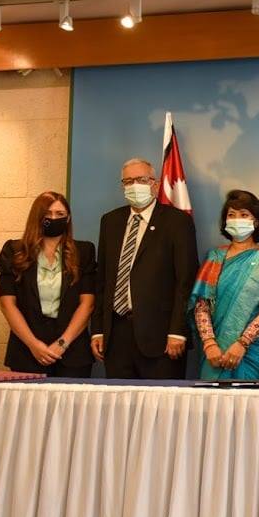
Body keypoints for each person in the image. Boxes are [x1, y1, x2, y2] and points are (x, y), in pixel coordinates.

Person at [90, 158, 199, 379]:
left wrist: (178, 331)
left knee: (160, 400)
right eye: (128, 181)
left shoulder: (177, 222)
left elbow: (185, 281)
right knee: (119, 400)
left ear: (155, 184)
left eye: (141, 180)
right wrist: (98, 330)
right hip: (116, 335)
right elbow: (103, 280)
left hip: (161, 338)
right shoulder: (110, 221)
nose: (134, 186)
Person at [188, 190, 259, 380]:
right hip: (214, 352)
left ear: (256, 222)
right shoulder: (214, 258)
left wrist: (242, 343)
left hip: (254, 352)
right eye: (231, 215)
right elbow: (201, 304)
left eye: (244, 215)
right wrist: (209, 343)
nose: (237, 220)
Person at [0, 192, 97, 377]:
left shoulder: (84, 251)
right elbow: (7, 304)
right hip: (27, 351)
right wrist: (33, 344)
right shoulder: (14, 251)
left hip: (72, 352)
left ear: (68, 218)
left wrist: (62, 344)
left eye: (60, 214)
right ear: (37, 216)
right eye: (47, 214)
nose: (53, 218)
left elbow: (87, 304)